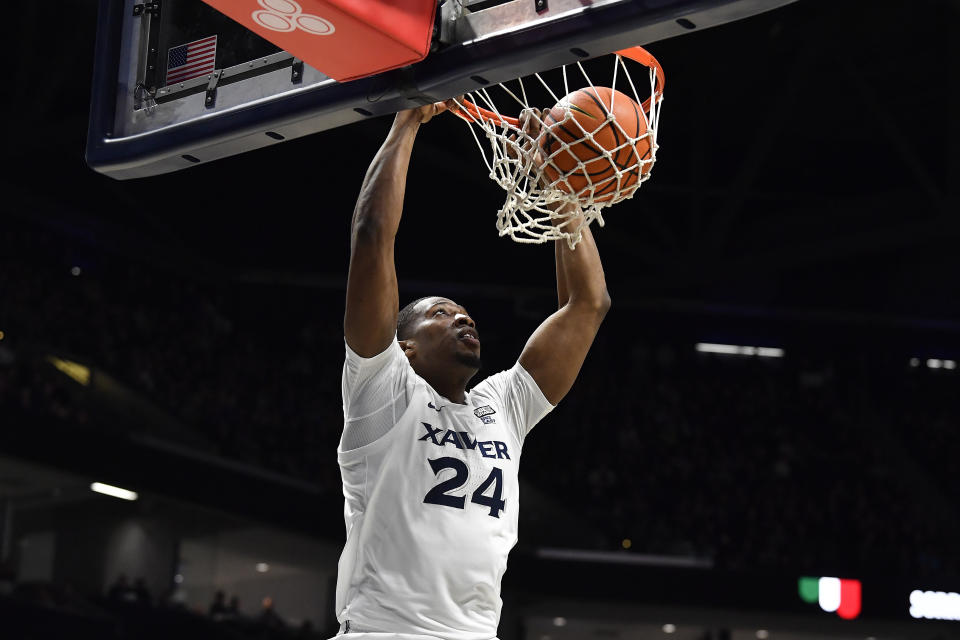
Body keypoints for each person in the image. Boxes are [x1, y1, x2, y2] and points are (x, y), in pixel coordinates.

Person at [333, 98, 610, 640]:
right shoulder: (384, 390)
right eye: (440, 313)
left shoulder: (501, 405)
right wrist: (407, 120)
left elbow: (587, 303)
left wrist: (560, 189)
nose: (461, 317)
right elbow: (371, 235)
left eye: (465, 314)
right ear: (404, 347)